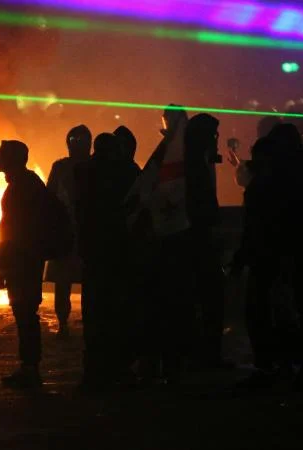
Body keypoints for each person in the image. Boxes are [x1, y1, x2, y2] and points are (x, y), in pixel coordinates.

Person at [235, 123, 303, 390]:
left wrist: (241, 257)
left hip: (269, 252)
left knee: (265, 306)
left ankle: (270, 365)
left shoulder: (266, 176)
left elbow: (252, 221)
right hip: (301, 248)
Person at [124, 105, 194, 383]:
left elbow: (152, 187)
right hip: (163, 235)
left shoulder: (176, 153)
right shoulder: (174, 152)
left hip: (168, 237)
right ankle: (164, 363)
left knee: (164, 305)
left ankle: (162, 362)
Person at [74, 134, 140, 388]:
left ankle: (93, 370)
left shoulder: (83, 171)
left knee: (94, 315)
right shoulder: (125, 172)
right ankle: (117, 368)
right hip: (117, 251)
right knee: (117, 312)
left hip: (94, 252)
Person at [0, 141, 50, 387]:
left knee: (25, 314)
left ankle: (30, 368)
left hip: (21, 260)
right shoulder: (32, 183)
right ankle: (30, 366)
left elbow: (8, 231)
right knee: (27, 313)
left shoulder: (18, 189)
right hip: (31, 258)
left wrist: (1, 267)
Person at [184, 113, 228, 368]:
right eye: (213, 135)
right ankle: (206, 355)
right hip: (197, 245)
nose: (217, 140)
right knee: (208, 300)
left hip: (197, 244)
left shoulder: (196, 163)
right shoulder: (193, 168)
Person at [44, 125, 90, 338]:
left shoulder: (62, 167)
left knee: (72, 281)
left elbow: (48, 198)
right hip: (74, 231)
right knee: (73, 280)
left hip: (78, 231)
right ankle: (65, 321)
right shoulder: (65, 167)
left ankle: (65, 322)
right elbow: (50, 198)